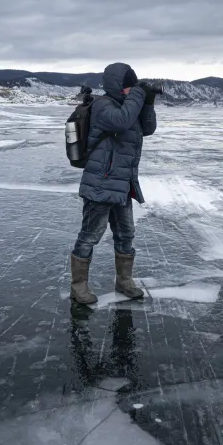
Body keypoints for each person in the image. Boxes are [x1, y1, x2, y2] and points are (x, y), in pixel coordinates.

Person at [69, 62, 157, 304]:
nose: (131, 90)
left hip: (122, 183)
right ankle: (78, 286)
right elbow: (121, 121)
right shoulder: (102, 106)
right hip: (101, 182)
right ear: (117, 86)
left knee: (126, 234)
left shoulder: (127, 106)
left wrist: (147, 102)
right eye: (128, 86)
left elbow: (147, 129)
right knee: (90, 235)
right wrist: (139, 94)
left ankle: (124, 281)